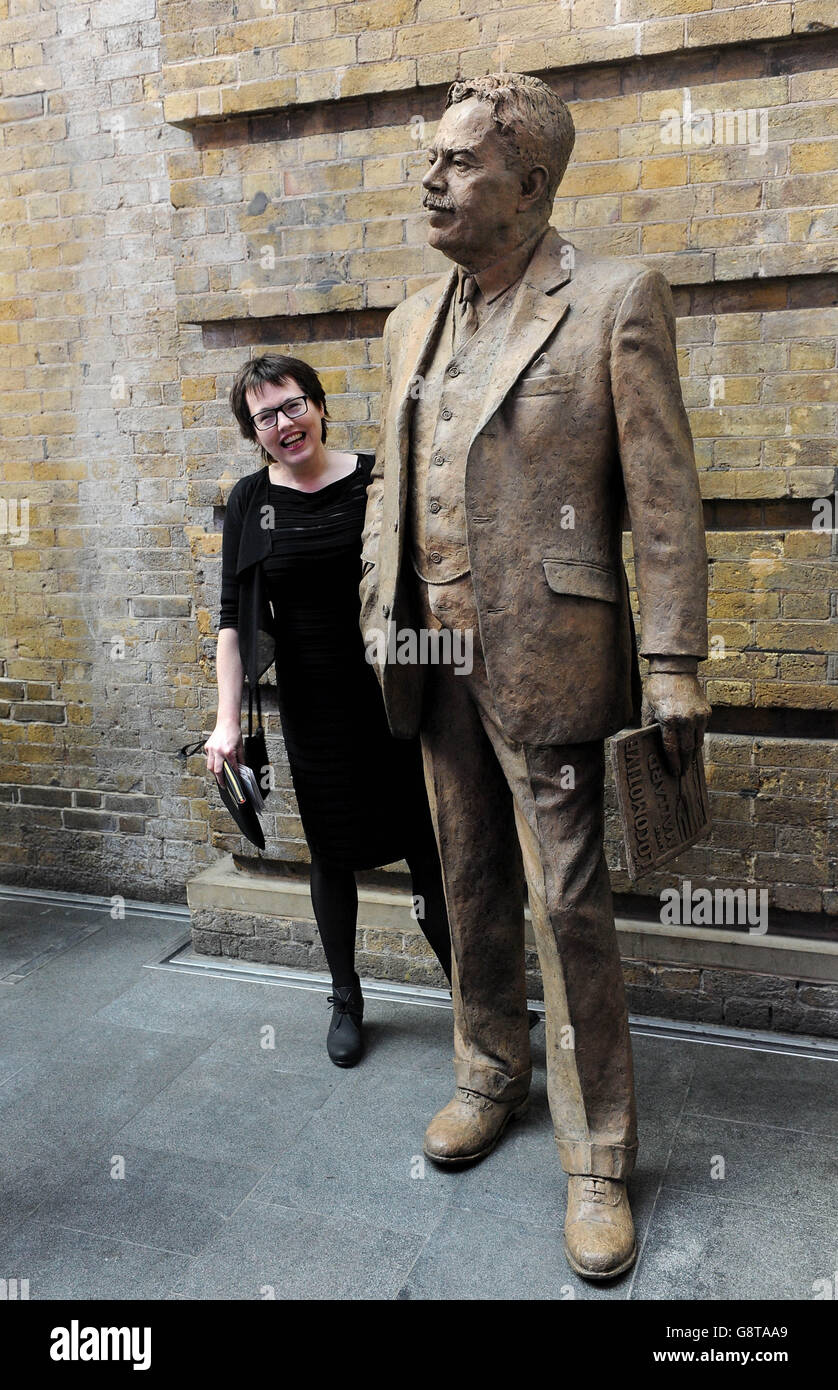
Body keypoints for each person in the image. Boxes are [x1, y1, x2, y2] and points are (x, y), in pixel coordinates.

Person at [359, 73, 710, 1278]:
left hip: (549, 648)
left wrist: (671, 658)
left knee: (566, 901)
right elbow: (388, 488)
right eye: (434, 160)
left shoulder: (611, 300)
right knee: (464, 873)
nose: (433, 179)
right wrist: (377, 612)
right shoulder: (409, 319)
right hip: (429, 648)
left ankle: (600, 1153)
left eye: (459, 163)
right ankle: (488, 1069)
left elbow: (662, 502)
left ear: (530, 185)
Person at [204, 354, 453, 1067]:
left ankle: (475, 996)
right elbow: (234, 622)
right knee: (331, 853)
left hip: (397, 698)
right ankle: (346, 996)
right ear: (253, 433)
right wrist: (225, 722)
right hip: (313, 708)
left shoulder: (378, 480)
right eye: (264, 417)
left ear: (318, 404)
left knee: (430, 851)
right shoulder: (253, 502)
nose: (282, 424)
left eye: (291, 406)